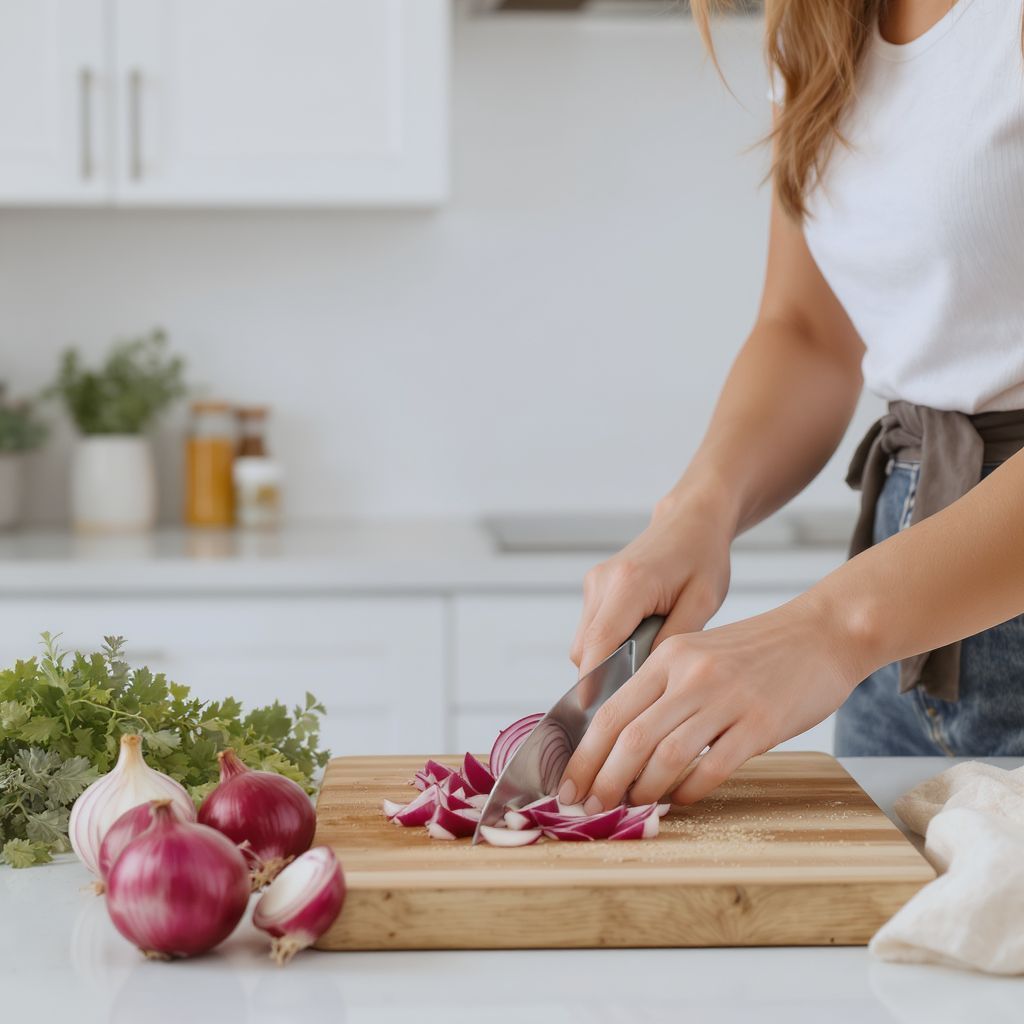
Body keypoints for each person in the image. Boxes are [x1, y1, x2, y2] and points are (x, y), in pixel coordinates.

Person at [557, 0, 1024, 817]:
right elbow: (807, 331)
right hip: (899, 633)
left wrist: (830, 630)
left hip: (896, 608)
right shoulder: (818, 15)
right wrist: (698, 509)